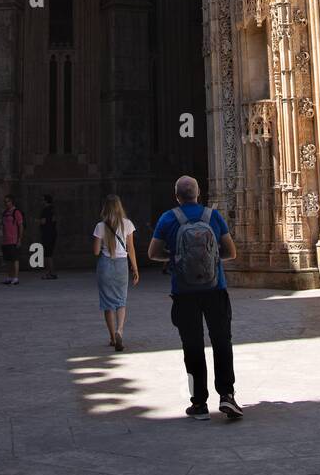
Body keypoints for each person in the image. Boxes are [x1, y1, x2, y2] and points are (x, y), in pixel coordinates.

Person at [149, 175, 242, 421]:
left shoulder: (168, 218)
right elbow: (231, 253)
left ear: (176, 196)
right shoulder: (213, 216)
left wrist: (175, 259)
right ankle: (227, 395)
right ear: (198, 193)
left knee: (192, 346)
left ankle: (199, 402)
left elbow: (153, 253)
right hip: (215, 288)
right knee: (222, 341)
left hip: (183, 291)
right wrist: (211, 260)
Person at [92, 195, 138, 351]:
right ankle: (120, 330)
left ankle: (112, 337)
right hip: (121, 265)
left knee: (108, 303)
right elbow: (131, 248)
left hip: (105, 264)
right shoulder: (128, 224)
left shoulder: (100, 226)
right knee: (121, 301)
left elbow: (96, 251)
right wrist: (135, 269)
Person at [2, 195, 24, 285]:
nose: (6, 203)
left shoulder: (16, 212)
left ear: (12, 202)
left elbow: (21, 226)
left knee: (15, 259)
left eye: (8, 201)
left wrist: (19, 239)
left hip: (13, 239)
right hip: (6, 240)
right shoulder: (5, 213)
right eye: (5, 202)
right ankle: (9, 276)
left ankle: (16, 277)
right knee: (8, 260)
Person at [39, 193, 58, 279]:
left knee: (47, 254)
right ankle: (51, 272)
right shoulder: (53, 209)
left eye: (42, 200)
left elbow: (43, 222)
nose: (41, 201)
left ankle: (50, 273)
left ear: (46, 201)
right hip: (53, 232)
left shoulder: (45, 210)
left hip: (47, 233)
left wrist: (36, 221)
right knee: (49, 253)